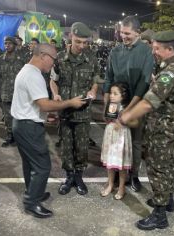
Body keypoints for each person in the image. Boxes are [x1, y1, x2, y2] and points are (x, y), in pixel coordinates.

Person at [120, 30, 174, 230]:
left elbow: (150, 103)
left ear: (169, 49)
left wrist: (126, 116)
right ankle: (168, 201)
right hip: (171, 126)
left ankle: (159, 215)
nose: (153, 51)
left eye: (157, 48)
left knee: (158, 169)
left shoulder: (170, 72)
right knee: (166, 165)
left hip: (162, 129)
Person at [11, 43, 85, 218]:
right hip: (28, 126)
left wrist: (46, 115)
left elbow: (35, 104)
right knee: (42, 166)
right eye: (53, 59)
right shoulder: (32, 75)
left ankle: (34, 192)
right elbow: (44, 104)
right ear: (43, 56)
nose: (54, 63)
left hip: (23, 123)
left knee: (30, 164)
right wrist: (70, 103)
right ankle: (31, 202)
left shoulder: (28, 71)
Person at [104, 15, 154, 192]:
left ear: (137, 32)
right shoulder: (115, 51)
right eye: (121, 32)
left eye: (127, 33)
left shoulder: (145, 51)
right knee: (117, 141)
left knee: (136, 141)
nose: (123, 36)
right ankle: (118, 173)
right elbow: (108, 78)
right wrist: (106, 104)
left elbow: (144, 82)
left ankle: (133, 175)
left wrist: (130, 110)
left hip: (137, 104)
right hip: (116, 105)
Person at [54, 22, 100, 196]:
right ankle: (69, 176)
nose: (82, 46)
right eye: (78, 41)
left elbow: (96, 80)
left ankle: (79, 177)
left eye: (85, 42)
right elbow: (53, 80)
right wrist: (55, 94)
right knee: (66, 146)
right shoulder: (59, 58)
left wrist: (93, 91)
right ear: (70, 37)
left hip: (83, 111)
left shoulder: (92, 58)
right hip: (65, 110)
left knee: (81, 147)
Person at [100, 82, 133, 200]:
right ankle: (110, 184)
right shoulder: (110, 106)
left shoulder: (126, 108)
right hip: (110, 134)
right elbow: (105, 118)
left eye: (115, 94)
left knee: (121, 163)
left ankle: (121, 187)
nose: (112, 96)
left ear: (122, 96)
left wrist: (123, 120)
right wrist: (106, 114)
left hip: (122, 135)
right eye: (111, 93)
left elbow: (133, 122)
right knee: (110, 161)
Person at [0, 36, 24, 147]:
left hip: (19, 93)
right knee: (8, 117)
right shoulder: (0, 60)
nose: (7, 45)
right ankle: (10, 136)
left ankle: (20, 137)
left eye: (9, 43)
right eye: (5, 43)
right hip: (6, 92)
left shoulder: (21, 59)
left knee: (20, 116)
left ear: (14, 45)